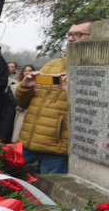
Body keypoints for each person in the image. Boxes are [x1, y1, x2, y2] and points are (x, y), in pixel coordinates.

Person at [15, 18, 95, 174]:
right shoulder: (51, 65)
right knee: (17, 195)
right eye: (70, 34)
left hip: (57, 153)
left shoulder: (97, 68)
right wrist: (24, 87)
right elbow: (23, 104)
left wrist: (73, 92)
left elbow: (96, 114)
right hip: (27, 146)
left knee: (47, 199)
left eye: (78, 34)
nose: (71, 39)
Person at [10, 63, 35, 141]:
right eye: (25, 70)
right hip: (18, 110)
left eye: (30, 70)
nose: (27, 72)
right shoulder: (14, 84)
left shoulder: (36, 85)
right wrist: (17, 105)